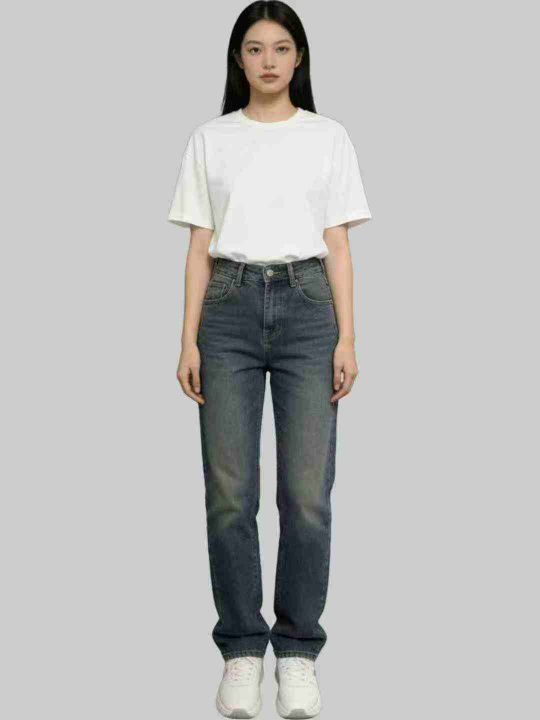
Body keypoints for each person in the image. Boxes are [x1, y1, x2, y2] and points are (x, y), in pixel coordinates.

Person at [167, 2, 372, 717]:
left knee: (307, 496)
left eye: (281, 48)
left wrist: (348, 338)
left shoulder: (328, 137)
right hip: (226, 308)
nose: (269, 61)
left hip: (310, 309)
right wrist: (187, 339)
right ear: (238, 60)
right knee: (230, 494)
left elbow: (339, 245)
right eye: (254, 49)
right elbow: (198, 247)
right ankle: (241, 650)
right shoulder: (211, 138)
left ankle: (299, 652)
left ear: (299, 57)